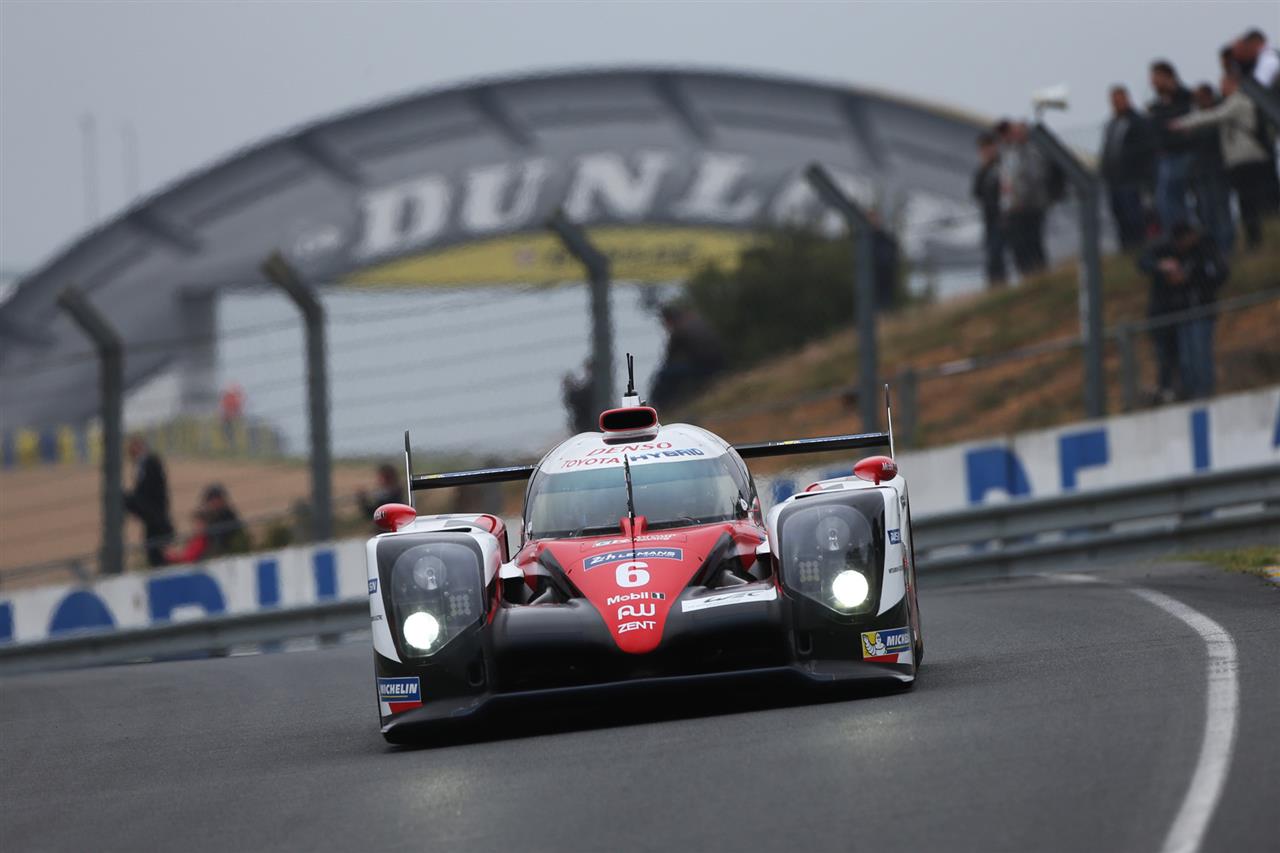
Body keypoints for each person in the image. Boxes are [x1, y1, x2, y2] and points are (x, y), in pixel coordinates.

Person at [1174, 73, 1278, 251]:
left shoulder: (1237, 101)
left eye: (1223, 83)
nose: (1220, 88)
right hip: (1241, 158)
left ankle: (1258, 238)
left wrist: (1183, 123)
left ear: (1233, 84)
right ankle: (1255, 238)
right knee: (1248, 201)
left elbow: (1214, 116)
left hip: (1246, 157)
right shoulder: (1234, 102)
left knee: (1250, 200)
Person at [1137, 223, 1228, 401]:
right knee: (1184, 358)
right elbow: (1142, 262)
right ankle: (1186, 392)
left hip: (1200, 309)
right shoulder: (1165, 249)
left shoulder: (1204, 247)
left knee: (1200, 354)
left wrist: (1193, 279)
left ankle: (1203, 392)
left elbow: (1219, 273)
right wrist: (1161, 266)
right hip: (1178, 312)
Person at [1099, 86, 1156, 250]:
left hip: (1132, 178)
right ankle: (1127, 247)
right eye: (1114, 101)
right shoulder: (1111, 124)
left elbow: (1146, 150)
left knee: (1134, 215)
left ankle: (1140, 245)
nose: (1116, 104)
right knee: (1120, 215)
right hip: (1114, 179)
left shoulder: (1138, 122)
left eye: (1119, 100)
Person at [1147, 60, 1196, 231]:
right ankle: (1176, 234)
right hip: (1165, 156)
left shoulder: (1185, 97)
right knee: (1165, 200)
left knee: (1178, 197)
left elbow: (1183, 120)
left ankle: (1189, 232)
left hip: (1182, 153)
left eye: (1155, 77)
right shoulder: (1157, 104)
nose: (1152, 82)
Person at [1186, 83, 1235, 254]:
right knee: (1206, 211)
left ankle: (1227, 246)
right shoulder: (1195, 117)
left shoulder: (1218, 115)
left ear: (1208, 97)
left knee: (1221, 209)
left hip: (1217, 168)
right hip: (1201, 171)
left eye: (1200, 98)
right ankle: (1213, 248)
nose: (1198, 101)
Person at [997, 121, 1050, 276]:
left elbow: (1034, 179)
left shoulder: (1032, 152)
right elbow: (1007, 180)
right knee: (1018, 247)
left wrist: (1020, 198)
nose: (1016, 136)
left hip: (1030, 208)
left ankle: (1040, 275)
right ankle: (1026, 276)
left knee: (1032, 244)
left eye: (1019, 132)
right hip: (1014, 208)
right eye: (1014, 133)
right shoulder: (1010, 153)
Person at [650, 303, 727, 409]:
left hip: (702, 367)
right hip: (719, 362)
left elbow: (670, 358)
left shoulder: (679, 329)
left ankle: (661, 406)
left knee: (665, 375)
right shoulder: (696, 320)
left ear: (668, 320)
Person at [122, 435, 174, 568]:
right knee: (153, 548)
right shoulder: (141, 464)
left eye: (134, 448)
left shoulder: (150, 461)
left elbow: (148, 488)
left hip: (155, 512)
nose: (131, 452)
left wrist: (135, 503)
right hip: (153, 514)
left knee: (157, 551)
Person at [972, 131, 1007, 286]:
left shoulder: (1003, 166)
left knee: (997, 255)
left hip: (1004, 217)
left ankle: (1000, 285)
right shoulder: (983, 170)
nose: (985, 151)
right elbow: (976, 192)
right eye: (982, 148)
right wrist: (983, 167)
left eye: (987, 147)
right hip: (990, 218)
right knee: (992, 256)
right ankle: (995, 286)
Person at [866, 209, 901, 310]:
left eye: (875, 219)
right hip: (870, 282)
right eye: (871, 219)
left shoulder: (886, 238)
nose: (874, 222)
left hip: (884, 280)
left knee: (885, 307)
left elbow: (892, 255)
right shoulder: (864, 239)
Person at [560, 359, 597, 434]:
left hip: (588, 422)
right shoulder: (590, 385)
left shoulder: (595, 385)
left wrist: (571, 387)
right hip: (584, 423)